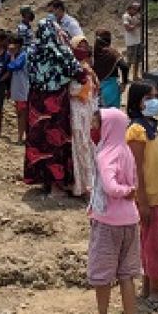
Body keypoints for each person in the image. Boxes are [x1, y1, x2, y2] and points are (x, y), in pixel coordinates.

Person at [88, 107, 142, 314]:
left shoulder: (106, 152)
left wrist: (122, 191)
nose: (94, 128)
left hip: (108, 222)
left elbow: (110, 187)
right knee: (127, 275)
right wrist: (129, 191)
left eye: (97, 124)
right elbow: (135, 182)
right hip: (130, 220)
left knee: (102, 276)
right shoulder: (126, 150)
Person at [125, 81, 158, 312]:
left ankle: (148, 288)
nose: (155, 101)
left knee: (150, 242)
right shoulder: (137, 130)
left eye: (156, 96)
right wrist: (142, 201)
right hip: (149, 198)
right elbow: (136, 169)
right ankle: (154, 291)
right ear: (138, 102)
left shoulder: (151, 126)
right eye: (149, 98)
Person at [24, 17, 83, 196]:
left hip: (36, 102)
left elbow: (28, 73)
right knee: (57, 141)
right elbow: (77, 72)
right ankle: (58, 185)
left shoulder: (31, 51)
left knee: (39, 140)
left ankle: (43, 180)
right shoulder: (61, 51)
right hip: (57, 103)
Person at [69, 35, 99, 198]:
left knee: (88, 144)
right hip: (76, 109)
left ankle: (91, 184)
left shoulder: (88, 67)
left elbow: (94, 91)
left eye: (85, 46)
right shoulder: (71, 67)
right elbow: (72, 90)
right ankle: (81, 186)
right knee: (78, 144)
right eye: (79, 46)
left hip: (87, 109)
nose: (83, 49)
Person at [94, 29, 129, 109]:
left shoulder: (93, 52)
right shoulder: (113, 53)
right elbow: (124, 66)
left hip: (96, 87)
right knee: (113, 114)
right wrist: (124, 83)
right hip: (111, 87)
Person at [7, 37, 30, 144]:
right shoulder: (20, 55)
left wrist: (11, 55)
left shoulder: (23, 56)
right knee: (21, 114)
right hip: (19, 90)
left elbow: (13, 66)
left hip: (23, 90)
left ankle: (21, 138)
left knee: (22, 115)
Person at [122, 2, 143, 81]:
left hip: (137, 40)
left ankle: (135, 76)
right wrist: (136, 25)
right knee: (130, 61)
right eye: (134, 9)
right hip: (131, 42)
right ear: (130, 9)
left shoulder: (134, 16)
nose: (136, 11)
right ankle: (125, 78)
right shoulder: (126, 16)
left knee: (137, 60)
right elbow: (127, 28)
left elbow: (139, 24)